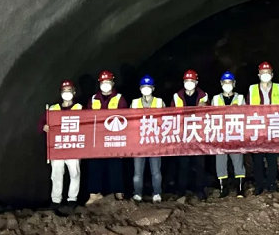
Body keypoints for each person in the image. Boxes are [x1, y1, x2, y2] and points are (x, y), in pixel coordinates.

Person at [86, 70, 128, 205]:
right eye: (103, 82)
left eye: (108, 82)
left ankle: (118, 193)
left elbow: (126, 119)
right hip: (97, 140)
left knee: (115, 165)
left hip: (114, 138)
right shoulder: (93, 99)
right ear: (99, 83)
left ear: (113, 83)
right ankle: (94, 194)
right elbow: (85, 119)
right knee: (95, 166)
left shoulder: (120, 99)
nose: (106, 84)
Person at [41, 80, 83, 207]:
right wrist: (44, 127)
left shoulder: (80, 108)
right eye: (64, 91)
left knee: (74, 173)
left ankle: (72, 199)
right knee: (56, 174)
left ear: (74, 92)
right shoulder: (53, 109)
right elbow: (41, 123)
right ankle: (56, 200)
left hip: (73, 147)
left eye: (69, 90)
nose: (67, 93)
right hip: (58, 147)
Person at [171, 69, 210, 199]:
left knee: (200, 164)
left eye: (192, 81)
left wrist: (206, 105)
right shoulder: (177, 97)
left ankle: (200, 190)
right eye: (187, 81)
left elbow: (210, 113)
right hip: (183, 135)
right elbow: (170, 114)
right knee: (184, 165)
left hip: (198, 134)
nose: (189, 83)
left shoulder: (203, 96)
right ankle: (182, 190)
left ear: (196, 82)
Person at [249, 61, 279, 195]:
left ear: (272, 74)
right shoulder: (252, 89)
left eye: (267, 73)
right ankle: (259, 184)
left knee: (272, 158)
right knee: (258, 158)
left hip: (273, 126)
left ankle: (271, 183)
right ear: (258, 74)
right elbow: (246, 108)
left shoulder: (278, 88)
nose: (265, 75)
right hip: (257, 127)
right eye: (263, 73)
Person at [212, 72, 246, 198]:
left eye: (230, 82)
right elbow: (210, 116)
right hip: (220, 134)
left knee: (238, 161)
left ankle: (240, 189)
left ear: (234, 84)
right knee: (220, 162)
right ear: (221, 84)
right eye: (225, 83)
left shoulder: (240, 98)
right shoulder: (215, 99)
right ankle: (223, 189)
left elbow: (247, 116)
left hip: (236, 134)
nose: (227, 85)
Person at [131, 75, 164, 203]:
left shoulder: (159, 102)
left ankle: (157, 193)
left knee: (156, 171)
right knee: (138, 172)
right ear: (140, 89)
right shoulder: (134, 103)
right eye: (144, 87)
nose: (146, 89)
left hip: (154, 141)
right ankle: (137, 193)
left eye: (148, 87)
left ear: (153, 88)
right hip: (139, 142)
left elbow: (165, 121)